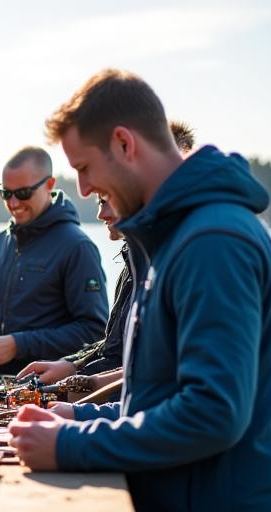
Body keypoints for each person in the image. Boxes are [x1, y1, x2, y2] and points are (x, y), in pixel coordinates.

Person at [8, 69, 271, 511]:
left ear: (124, 143)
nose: (84, 189)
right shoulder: (172, 239)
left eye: (84, 168)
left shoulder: (212, 243)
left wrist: (70, 446)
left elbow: (212, 414)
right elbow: (158, 398)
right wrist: (77, 417)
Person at [17, 120, 197, 392]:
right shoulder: (136, 255)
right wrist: (71, 366)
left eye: (106, 198)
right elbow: (117, 351)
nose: (101, 213)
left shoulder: (190, 255)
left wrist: (76, 401)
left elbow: (173, 384)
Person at [0, 146, 109, 374]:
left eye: (23, 193)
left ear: (50, 185)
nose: (13, 203)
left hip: (49, 390)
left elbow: (94, 331)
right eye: (6, 193)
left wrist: (18, 345)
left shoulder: (78, 247)